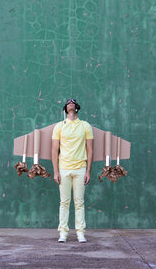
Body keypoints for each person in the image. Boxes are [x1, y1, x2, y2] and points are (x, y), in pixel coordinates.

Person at [51, 98, 93, 243]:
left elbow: (90, 149)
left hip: (80, 168)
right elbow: (54, 150)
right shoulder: (59, 126)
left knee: (79, 202)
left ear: (76, 108)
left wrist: (88, 171)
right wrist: (55, 171)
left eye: (73, 103)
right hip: (63, 169)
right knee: (64, 202)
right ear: (65, 109)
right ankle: (63, 233)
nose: (70, 103)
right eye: (68, 103)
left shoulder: (85, 126)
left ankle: (80, 233)